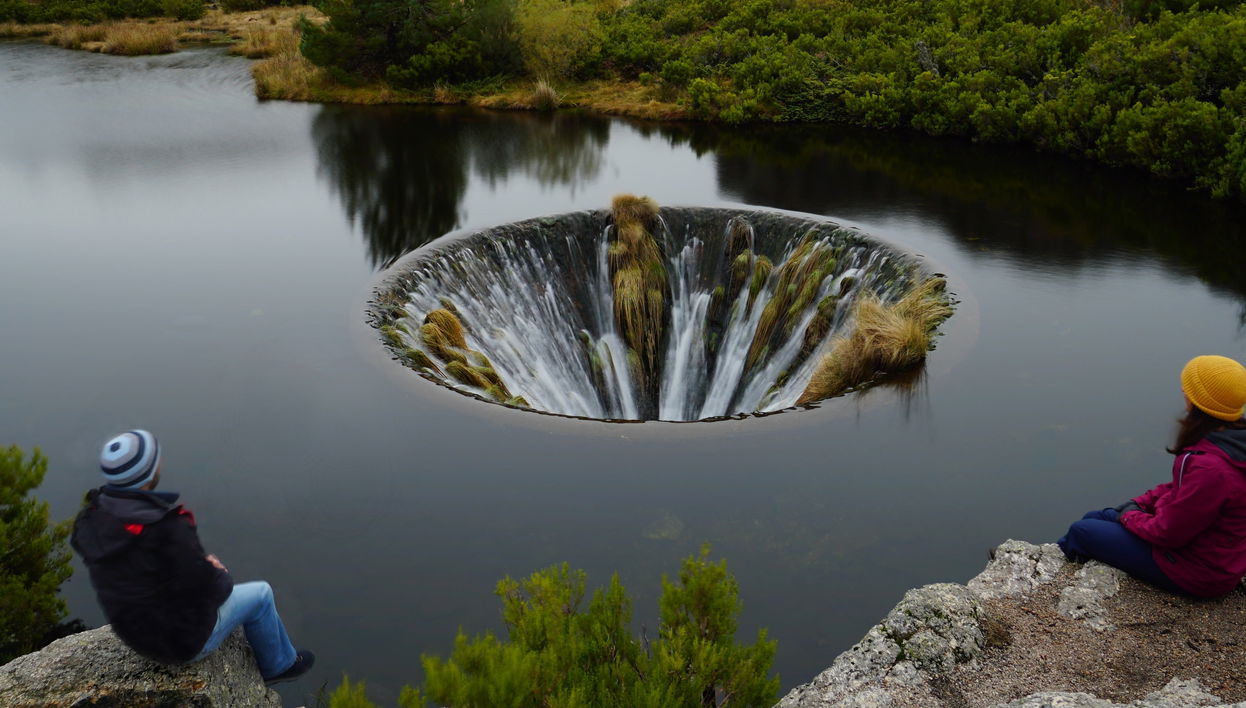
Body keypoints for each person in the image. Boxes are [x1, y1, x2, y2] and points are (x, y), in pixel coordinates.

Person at [71, 429, 314, 684]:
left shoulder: (93, 516)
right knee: (261, 594)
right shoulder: (166, 526)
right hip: (179, 645)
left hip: (133, 634)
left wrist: (188, 565)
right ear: (151, 472)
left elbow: (137, 567)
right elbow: (212, 589)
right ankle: (280, 665)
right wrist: (217, 571)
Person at [1057, 355, 1246, 598]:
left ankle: (1052, 580)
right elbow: (1182, 489)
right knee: (1097, 517)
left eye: (1188, 387)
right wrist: (1141, 503)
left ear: (1200, 402)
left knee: (1081, 531)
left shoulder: (1211, 468)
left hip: (1197, 571)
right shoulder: (1230, 441)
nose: (1182, 390)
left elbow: (1169, 533)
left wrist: (1129, 517)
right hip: (1206, 553)